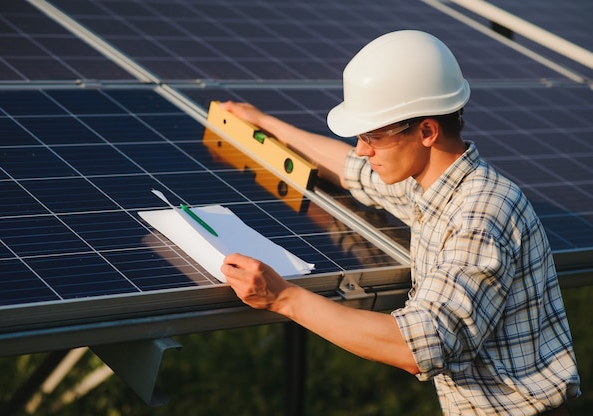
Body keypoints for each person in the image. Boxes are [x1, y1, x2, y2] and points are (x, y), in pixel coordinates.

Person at [219, 30, 580, 415]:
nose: (362, 148)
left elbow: (417, 347)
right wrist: (266, 123)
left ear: (426, 131)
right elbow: (350, 169)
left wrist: (283, 297)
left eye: (372, 135)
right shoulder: (431, 185)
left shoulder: (482, 217)